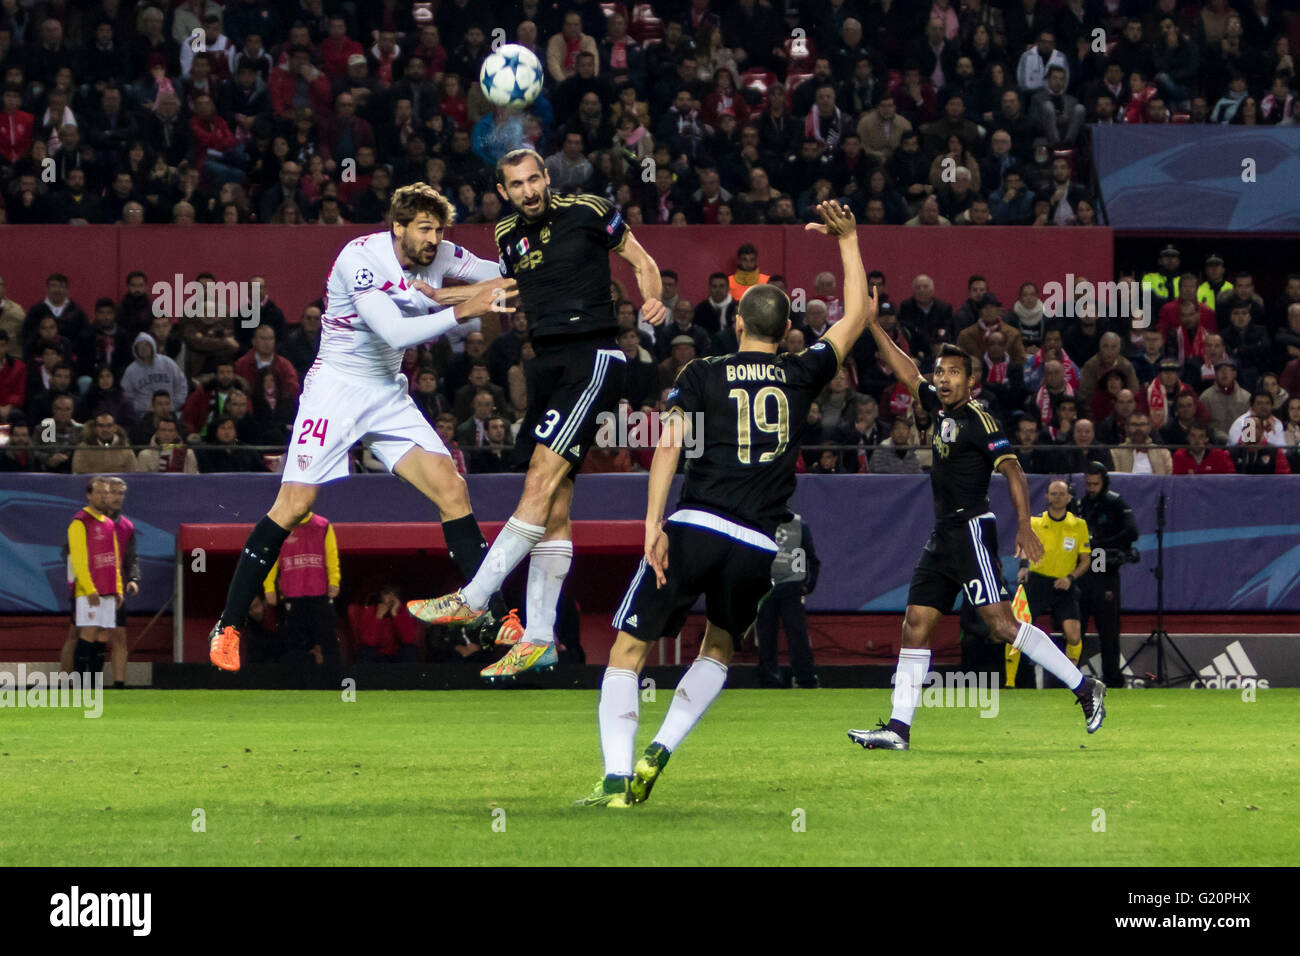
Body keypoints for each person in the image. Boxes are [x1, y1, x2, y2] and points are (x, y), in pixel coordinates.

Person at [578, 199, 874, 808]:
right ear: (786, 330)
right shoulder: (802, 371)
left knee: (627, 652)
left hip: (696, 525)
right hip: (760, 544)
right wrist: (847, 240)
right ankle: (663, 746)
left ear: (738, 322)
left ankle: (614, 781)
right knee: (717, 647)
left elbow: (667, 449)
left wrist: (652, 524)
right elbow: (858, 314)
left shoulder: (702, 372)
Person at [208, 184, 518, 672]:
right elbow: (394, 331)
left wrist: (532, 248)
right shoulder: (361, 257)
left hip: (386, 392)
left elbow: (505, 273)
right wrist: (463, 308)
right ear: (397, 227)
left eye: (438, 229)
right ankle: (227, 626)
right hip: (335, 387)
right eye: (423, 229)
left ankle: (494, 617)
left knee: (452, 489)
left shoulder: (443, 255)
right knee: (295, 506)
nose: (433, 239)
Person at [408, 148, 667, 682]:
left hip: (592, 358)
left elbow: (642, 260)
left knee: (538, 481)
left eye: (534, 179)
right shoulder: (507, 234)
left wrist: (653, 300)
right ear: (503, 192)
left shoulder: (591, 209)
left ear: (547, 178)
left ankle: (475, 597)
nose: (528, 190)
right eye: (516, 184)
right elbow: (508, 289)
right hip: (547, 366)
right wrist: (441, 295)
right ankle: (541, 640)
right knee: (553, 506)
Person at [847, 338, 1106, 752]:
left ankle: (1084, 686)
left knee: (1002, 625)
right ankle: (898, 728)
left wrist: (1024, 524)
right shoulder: (938, 407)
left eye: (953, 373)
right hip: (943, 536)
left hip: (970, 530)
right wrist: (873, 325)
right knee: (915, 623)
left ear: (971, 381)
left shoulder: (979, 421)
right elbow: (906, 372)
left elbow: (1015, 472)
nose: (943, 379)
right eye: (940, 372)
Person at [1011, 480, 1090, 688]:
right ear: (1047, 497)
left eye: (1061, 494)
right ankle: (1012, 681)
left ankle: (1072, 680)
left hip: (1064, 582)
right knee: (1018, 630)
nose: (1056, 497)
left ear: (1069, 498)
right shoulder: (1035, 522)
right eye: (1053, 494)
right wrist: (1023, 566)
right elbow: (1025, 547)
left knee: (1074, 635)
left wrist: (1070, 578)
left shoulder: (1078, 525)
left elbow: (1086, 560)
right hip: (1037, 580)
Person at [1075, 462, 1138, 689]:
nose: (1091, 488)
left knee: (1108, 629)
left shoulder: (1115, 503)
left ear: (1104, 482)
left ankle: (1112, 678)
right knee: (1076, 627)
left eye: (1095, 484)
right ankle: (1072, 678)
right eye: (1088, 484)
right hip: (1081, 570)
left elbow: (1132, 532)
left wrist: (1098, 545)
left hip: (1103, 566)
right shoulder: (1080, 505)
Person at [263, 510, 342, 670]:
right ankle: (296, 686)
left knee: (328, 641)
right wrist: (269, 587)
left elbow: (331, 554)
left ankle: (333, 683)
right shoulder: (280, 525)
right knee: (294, 643)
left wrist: (334, 580)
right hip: (292, 593)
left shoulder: (323, 525)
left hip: (319, 592)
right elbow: (271, 557)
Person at [63, 477, 123, 680]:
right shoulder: (79, 522)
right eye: (99, 492)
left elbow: (114, 560)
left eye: (106, 492)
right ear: (89, 495)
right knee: (88, 633)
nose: (104, 496)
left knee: (103, 635)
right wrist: (89, 588)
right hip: (88, 591)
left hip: (108, 590)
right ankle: (79, 683)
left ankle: (94, 684)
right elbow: (79, 561)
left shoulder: (108, 523)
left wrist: (118, 590)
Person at [756, 514, 822, 689]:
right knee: (766, 635)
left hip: (792, 586)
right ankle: (769, 680)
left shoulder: (799, 525)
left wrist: (808, 585)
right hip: (766, 587)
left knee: (797, 634)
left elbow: (812, 558)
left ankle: (805, 678)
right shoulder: (760, 520)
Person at [103, 476, 139, 688]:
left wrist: (133, 579)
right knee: (79, 634)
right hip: (88, 588)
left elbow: (131, 558)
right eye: (113, 492)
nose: (117, 498)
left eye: (121, 493)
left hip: (115, 588)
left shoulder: (126, 526)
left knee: (119, 636)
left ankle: (119, 685)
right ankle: (70, 684)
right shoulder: (87, 522)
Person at [354, 586, 420, 663]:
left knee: (411, 650)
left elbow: (408, 639)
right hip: (377, 653)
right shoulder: (370, 610)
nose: (391, 597)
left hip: (398, 653)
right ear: (380, 596)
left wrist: (395, 614)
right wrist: (378, 617)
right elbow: (368, 642)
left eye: (395, 594)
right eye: (387, 593)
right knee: (364, 651)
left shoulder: (404, 610)